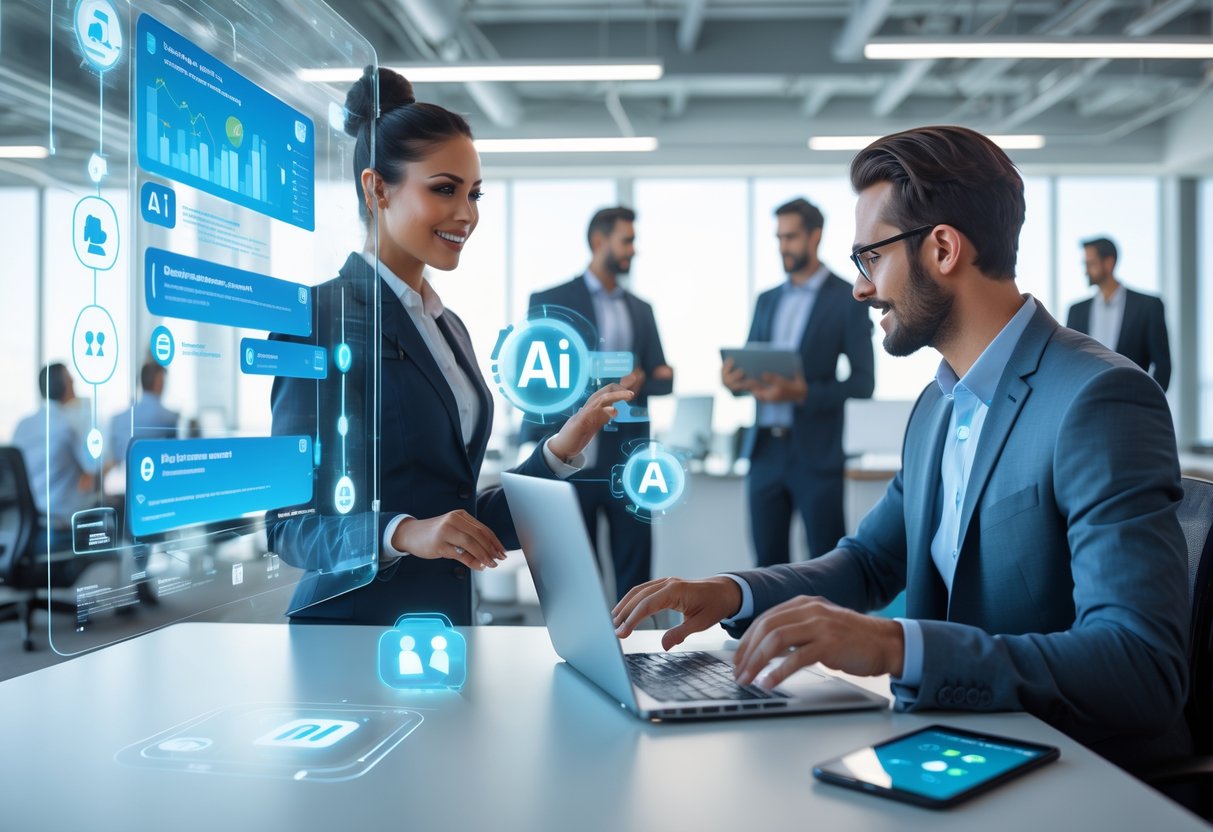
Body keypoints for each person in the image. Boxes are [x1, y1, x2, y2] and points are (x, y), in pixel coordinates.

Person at [614, 126, 1189, 774]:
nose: (860, 287)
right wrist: (731, 592)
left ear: (942, 248)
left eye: (871, 257)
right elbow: (865, 565)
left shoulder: (1099, 398)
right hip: (954, 751)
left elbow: (1140, 667)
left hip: (1072, 773)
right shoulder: (936, 406)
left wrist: (896, 646)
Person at [267, 67, 631, 626]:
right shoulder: (320, 317)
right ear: (377, 188)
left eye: (474, 193)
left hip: (442, 626)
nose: (468, 214)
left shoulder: (449, 327)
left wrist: (561, 449)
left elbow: (463, 520)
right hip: (353, 631)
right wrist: (403, 533)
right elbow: (288, 526)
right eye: (444, 189)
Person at [520, 207, 673, 601]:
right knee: (578, 573)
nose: (632, 250)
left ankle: (637, 655)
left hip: (629, 461)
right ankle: (586, 653)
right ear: (598, 241)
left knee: (635, 570)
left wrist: (642, 380)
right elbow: (536, 380)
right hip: (575, 458)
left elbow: (662, 376)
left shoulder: (642, 309)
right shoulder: (551, 300)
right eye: (627, 240)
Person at [722, 198, 874, 566]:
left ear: (815, 236)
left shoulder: (847, 299)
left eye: (790, 237)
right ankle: (767, 628)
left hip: (816, 455)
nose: (783, 247)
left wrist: (802, 392)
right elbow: (752, 369)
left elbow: (863, 384)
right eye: (778, 237)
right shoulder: (767, 300)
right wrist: (734, 381)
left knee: (826, 565)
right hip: (764, 454)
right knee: (766, 566)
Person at [11, 363, 99, 553]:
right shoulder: (68, 425)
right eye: (70, 378)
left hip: (26, 531)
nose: (74, 381)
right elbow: (91, 473)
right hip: (61, 530)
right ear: (63, 386)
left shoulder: (22, 425)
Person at [1066, 236, 1171, 391]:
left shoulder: (1148, 306)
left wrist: (1149, 403)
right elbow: (1071, 364)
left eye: (1090, 264)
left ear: (1109, 263)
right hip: (1086, 406)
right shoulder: (1076, 311)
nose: (1086, 271)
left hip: (1133, 406)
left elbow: (1163, 365)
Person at [108, 361, 180, 465]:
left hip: (122, 476)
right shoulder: (169, 418)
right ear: (159, 382)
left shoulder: (117, 419)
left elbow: (113, 458)